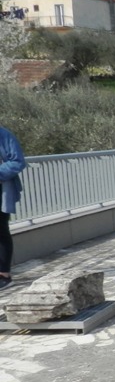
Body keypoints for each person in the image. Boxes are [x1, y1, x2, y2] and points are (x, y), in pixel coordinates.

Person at [0, 125, 27, 291]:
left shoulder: (4, 135)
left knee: (0, 230)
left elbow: (18, 161)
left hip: (1, 190)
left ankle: (4, 275)